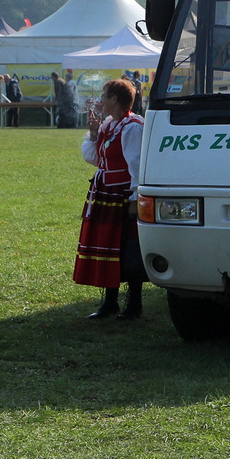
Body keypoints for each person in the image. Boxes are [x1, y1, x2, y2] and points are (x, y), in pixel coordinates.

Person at [75, 78, 145, 320]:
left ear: (115, 98)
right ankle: (110, 302)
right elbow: (96, 159)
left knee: (126, 246)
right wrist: (94, 133)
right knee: (108, 245)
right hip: (105, 193)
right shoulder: (109, 125)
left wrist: (135, 199)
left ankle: (134, 304)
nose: (101, 101)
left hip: (122, 195)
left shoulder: (132, 127)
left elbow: (136, 165)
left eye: (105, 96)